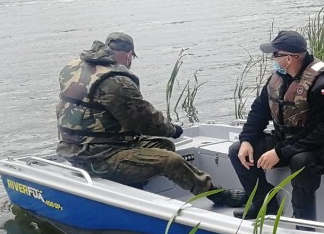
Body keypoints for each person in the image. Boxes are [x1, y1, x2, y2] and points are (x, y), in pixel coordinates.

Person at [56, 32, 246, 207]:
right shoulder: (115, 81)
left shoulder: (76, 67)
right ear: (129, 55)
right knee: (170, 160)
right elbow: (144, 120)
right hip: (97, 156)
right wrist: (173, 129)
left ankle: (133, 189)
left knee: (164, 146)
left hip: (76, 147)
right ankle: (217, 194)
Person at [228, 30, 324, 221]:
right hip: (285, 140)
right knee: (237, 150)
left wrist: (279, 153)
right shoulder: (277, 79)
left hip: (319, 147)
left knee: (301, 161)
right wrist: (247, 139)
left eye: (276, 55)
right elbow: (259, 112)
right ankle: (264, 204)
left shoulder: (323, 85)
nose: (273, 59)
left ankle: (303, 220)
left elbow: (318, 132)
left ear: (290, 58)